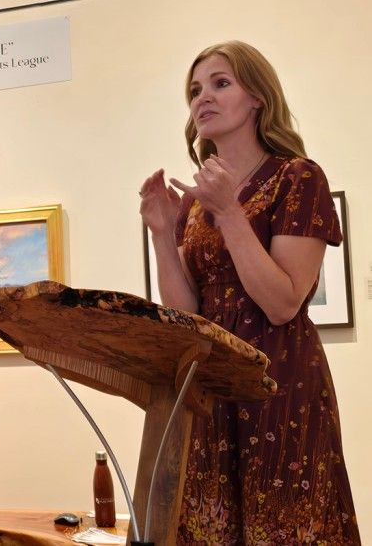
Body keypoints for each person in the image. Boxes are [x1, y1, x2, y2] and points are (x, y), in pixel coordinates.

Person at [139, 41, 360, 544]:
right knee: (210, 521)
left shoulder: (297, 177)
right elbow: (186, 314)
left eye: (221, 83)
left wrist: (231, 213)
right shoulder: (196, 205)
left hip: (278, 380)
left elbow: (283, 303)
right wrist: (161, 232)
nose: (203, 98)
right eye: (195, 90)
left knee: (283, 520)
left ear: (257, 97)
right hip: (209, 382)